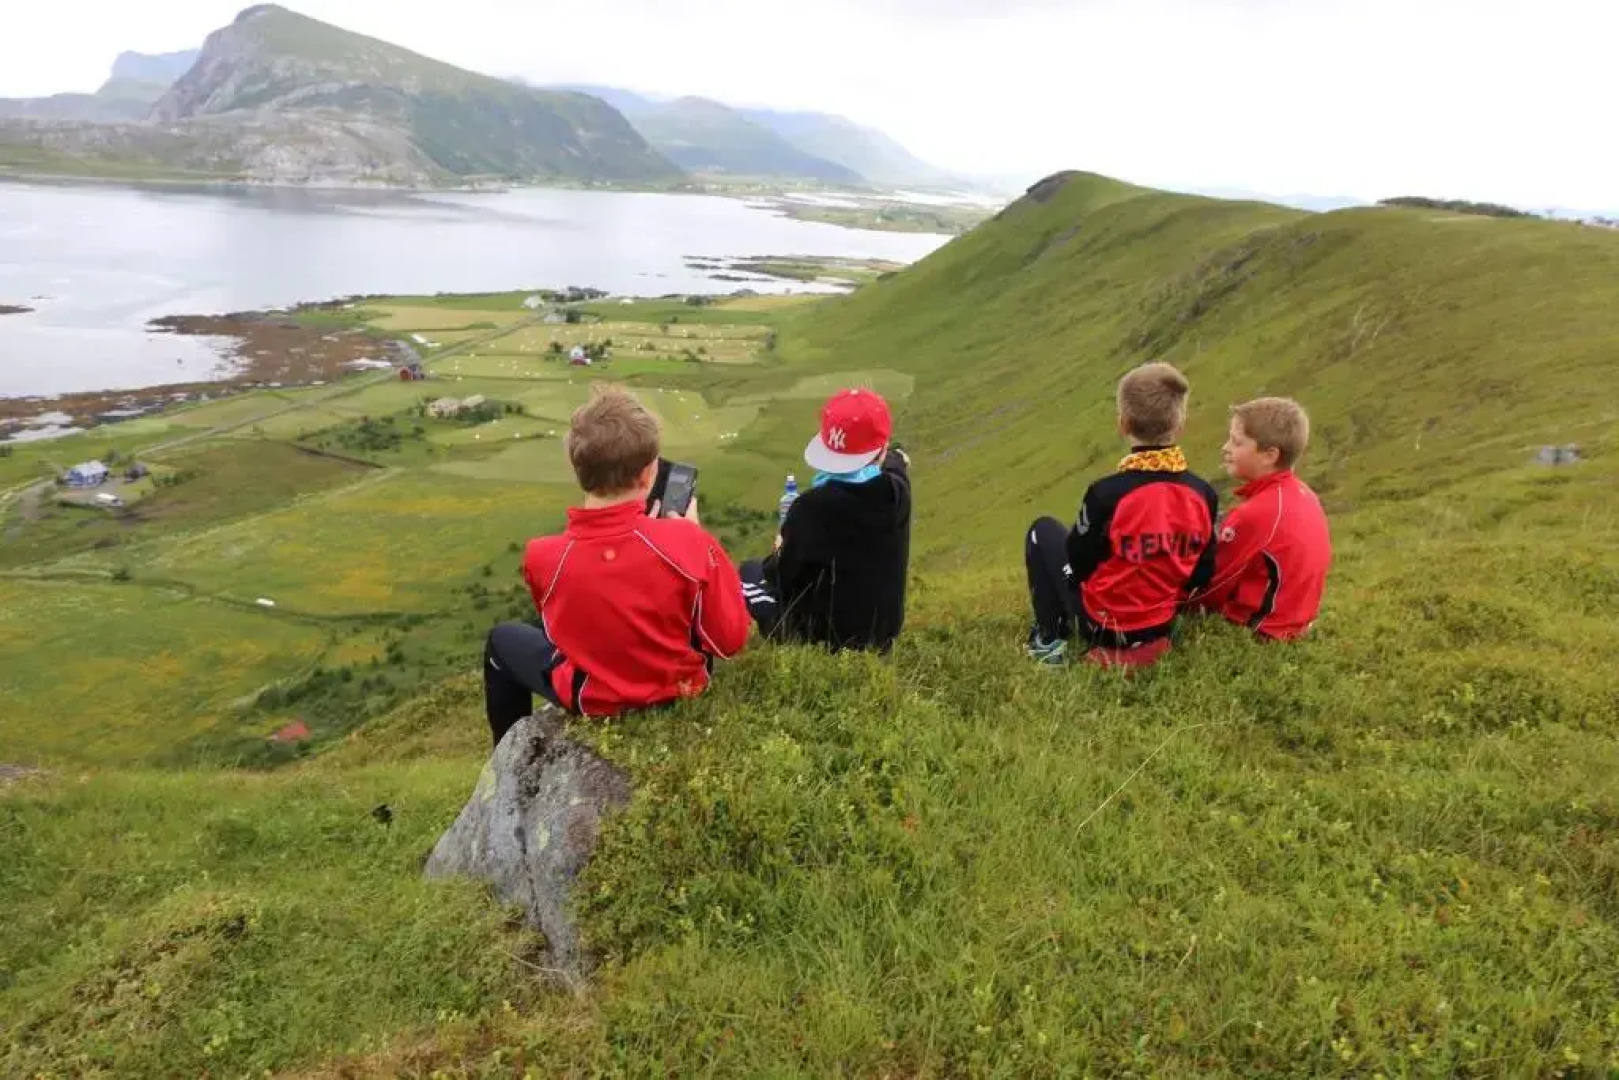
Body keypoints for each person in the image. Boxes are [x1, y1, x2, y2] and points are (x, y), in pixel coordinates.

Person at [482, 386, 750, 747]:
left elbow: (558, 630)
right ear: (648, 473)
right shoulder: (688, 540)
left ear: (578, 470)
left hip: (592, 700)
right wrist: (692, 537)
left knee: (501, 640)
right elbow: (729, 640)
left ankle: (506, 752)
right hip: (683, 690)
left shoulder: (542, 556)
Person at [1023, 362, 1218, 666]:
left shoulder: (1106, 493)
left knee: (1042, 530)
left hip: (1101, 624)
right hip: (1159, 623)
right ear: (1180, 425)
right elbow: (1202, 573)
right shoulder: (1203, 493)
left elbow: (1078, 561)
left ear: (1123, 424)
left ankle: (1050, 639)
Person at [740, 388, 912, 652]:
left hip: (824, 638)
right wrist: (897, 457)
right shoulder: (898, 491)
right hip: (883, 633)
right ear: (882, 450)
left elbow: (782, 577)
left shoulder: (809, 508)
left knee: (749, 573)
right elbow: (894, 464)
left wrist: (780, 550)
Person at [1192, 397, 1331, 639]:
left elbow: (1211, 586)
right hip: (1293, 622)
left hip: (1261, 631)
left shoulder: (1257, 513)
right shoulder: (1305, 493)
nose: (1225, 447)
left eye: (1236, 442)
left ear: (1269, 455)